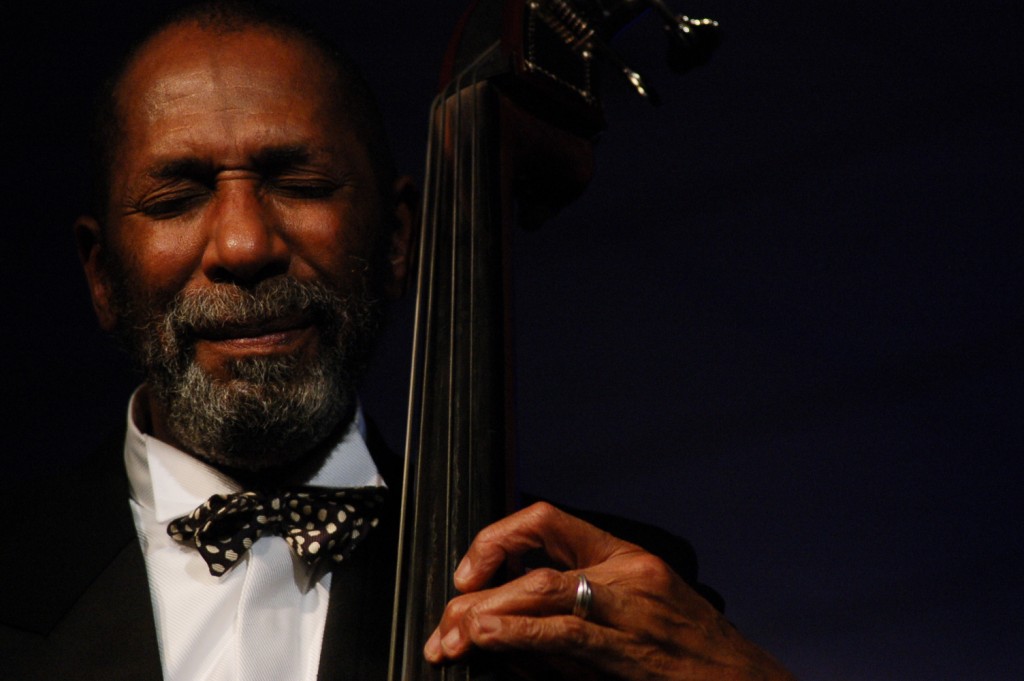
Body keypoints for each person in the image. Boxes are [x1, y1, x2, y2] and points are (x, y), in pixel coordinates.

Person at [0, 2, 794, 679]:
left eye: (302, 184)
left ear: (398, 240)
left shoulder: (604, 598)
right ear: (102, 275)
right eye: (177, 198)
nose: (243, 245)